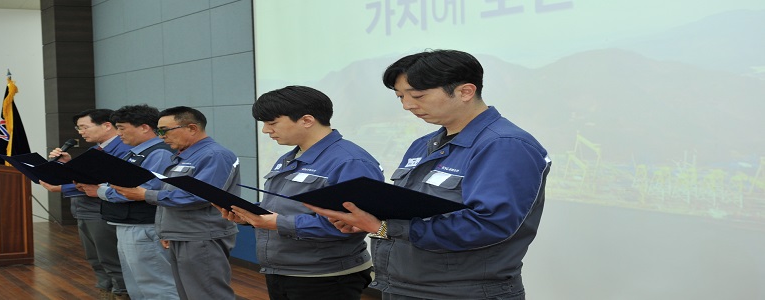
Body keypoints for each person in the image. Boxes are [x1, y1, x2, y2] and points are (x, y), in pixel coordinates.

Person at [307, 49, 552, 300]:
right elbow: (406, 212)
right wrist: (367, 221)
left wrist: (385, 227)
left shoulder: (505, 145)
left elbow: (489, 224)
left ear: (465, 91)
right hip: (402, 285)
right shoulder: (424, 144)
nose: (407, 105)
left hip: (462, 292)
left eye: (418, 95)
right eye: (400, 96)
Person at [217, 86, 383, 300]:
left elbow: (354, 223)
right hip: (282, 270)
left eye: (272, 123)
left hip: (325, 276)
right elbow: (283, 206)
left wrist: (277, 223)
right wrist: (249, 214)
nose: (266, 131)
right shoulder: (290, 157)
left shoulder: (350, 161)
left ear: (306, 120)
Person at [109, 106, 239, 300]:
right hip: (181, 233)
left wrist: (145, 195)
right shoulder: (183, 155)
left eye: (164, 131)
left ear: (192, 128)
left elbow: (200, 196)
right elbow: (171, 193)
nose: (161, 136)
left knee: (207, 294)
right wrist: (166, 230)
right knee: (187, 293)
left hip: (201, 234)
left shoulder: (214, 155)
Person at [74, 105, 179, 300]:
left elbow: (144, 189)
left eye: (122, 128)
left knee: (157, 285)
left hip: (144, 225)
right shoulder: (133, 152)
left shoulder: (159, 153)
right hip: (125, 223)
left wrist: (101, 191)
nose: (119, 133)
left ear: (144, 127)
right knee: (136, 285)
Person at [40, 108, 132, 300]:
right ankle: (106, 291)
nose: (80, 132)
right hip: (85, 210)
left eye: (84, 127)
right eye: (78, 128)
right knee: (96, 259)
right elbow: (85, 177)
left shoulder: (123, 149)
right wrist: (66, 164)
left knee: (110, 260)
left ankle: (120, 293)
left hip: (102, 210)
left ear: (107, 125)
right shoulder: (96, 149)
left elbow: (104, 182)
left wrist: (61, 188)